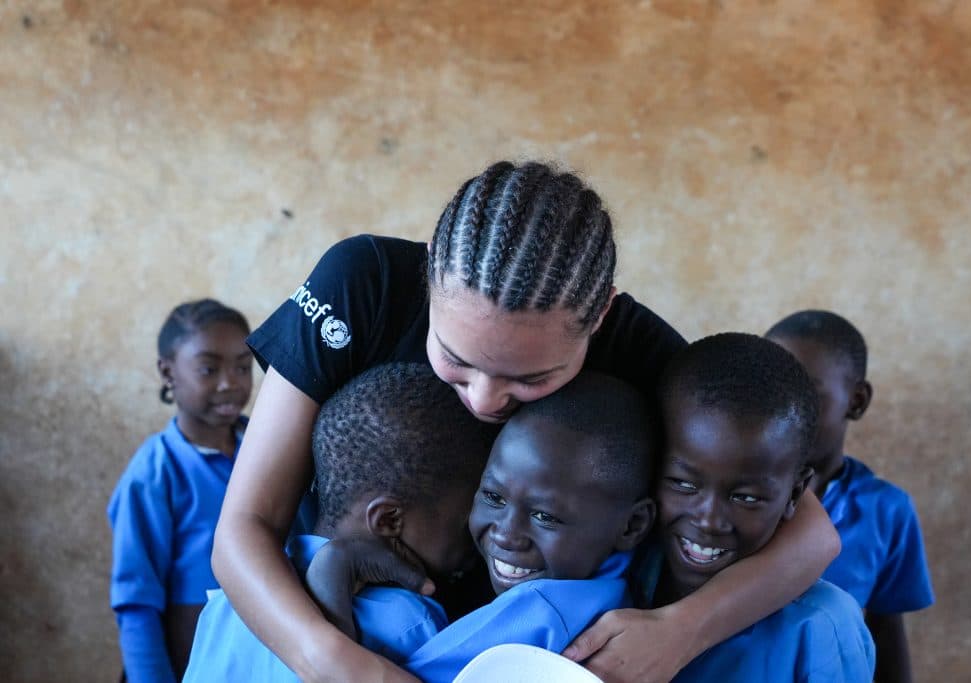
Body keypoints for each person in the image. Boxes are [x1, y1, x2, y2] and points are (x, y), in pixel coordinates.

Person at [212, 160, 840, 683]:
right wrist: (332, 661)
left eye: (532, 379)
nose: (485, 399)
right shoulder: (365, 283)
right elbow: (244, 525)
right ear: (430, 274)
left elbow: (812, 534)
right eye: (455, 360)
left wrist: (679, 632)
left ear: (599, 319)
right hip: (334, 617)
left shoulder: (639, 352)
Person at [183, 363, 500, 681]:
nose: (477, 535)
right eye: (465, 521)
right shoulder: (409, 622)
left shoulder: (226, 607)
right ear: (389, 520)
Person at [639, 333, 875, 681]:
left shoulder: (821, 628)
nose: (709, 519)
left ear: (794, 494)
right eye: (684, 484)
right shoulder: (615, 576)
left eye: (746, 497)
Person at [398, 371, 656, 681]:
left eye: (545, 517)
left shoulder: (540, 614)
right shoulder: (608, 584)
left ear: (632, 526)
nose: (506, 533)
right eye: (493, 497)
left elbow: (401, 674)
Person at [766, 310, 934, 683]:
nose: (785, 410)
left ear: (856, 401)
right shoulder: (740, 498)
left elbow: (886, 628)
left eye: (809, 393)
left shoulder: (887, 510)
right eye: (771, 390)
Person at [108, 299, 253, 681]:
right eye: (209, 368)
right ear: (167, 371)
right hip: (189, 660)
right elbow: (137, 603)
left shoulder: (266, 448)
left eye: (243, 366)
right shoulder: (154, 473)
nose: (231, 383)